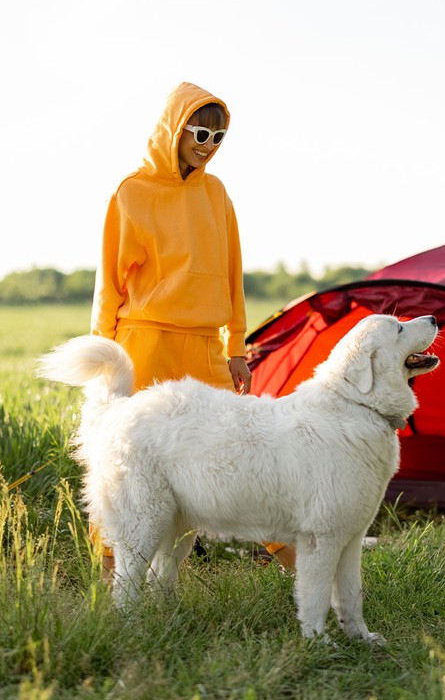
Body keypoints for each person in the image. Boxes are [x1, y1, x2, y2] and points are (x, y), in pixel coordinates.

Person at [90, 81, 295, 577]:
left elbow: (232, 276)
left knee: (245, 451)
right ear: (174, 129)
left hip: (205, 345)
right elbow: (109, 285)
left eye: (218, 136)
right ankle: (113, 582)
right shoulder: (131, 192)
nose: (207, 144)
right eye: (198, 132)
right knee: (127, 462)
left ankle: (302, 566)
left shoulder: (217, 192)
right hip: (145, 343)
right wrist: (101, 362)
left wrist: (237, 347)